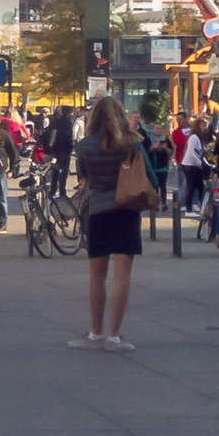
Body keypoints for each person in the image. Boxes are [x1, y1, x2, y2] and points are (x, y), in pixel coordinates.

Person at [70, 92, 148, 349]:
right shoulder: (132, 143)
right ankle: (115, 335)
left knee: (97, 274)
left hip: (98, 211)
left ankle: (95, 333)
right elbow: (150, 177)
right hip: (127, 210)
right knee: (122, 275)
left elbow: (82, 173)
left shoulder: (85, 145)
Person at [47, 105, 75, 199]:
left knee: (55, 170)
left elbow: (51, 135)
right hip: (65, 149)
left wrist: (51, 147)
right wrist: (71, 147)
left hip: (56, 149)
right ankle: (62, 192)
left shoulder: (55, 122)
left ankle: (52, 190)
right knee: (63, 171)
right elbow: (68, 137)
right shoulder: (67, 123)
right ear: (68, 113)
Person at [182, 119, 208, 218]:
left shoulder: (198, 138)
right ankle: (188, 209)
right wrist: (200, 163)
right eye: (202, 126)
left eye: (205, 126)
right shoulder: (193, 137)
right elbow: (191, 153)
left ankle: (204, 208)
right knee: (191, 187)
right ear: (198, 126)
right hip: (190, 165)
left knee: (200, 187)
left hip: (194, 165)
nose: (204, 128)